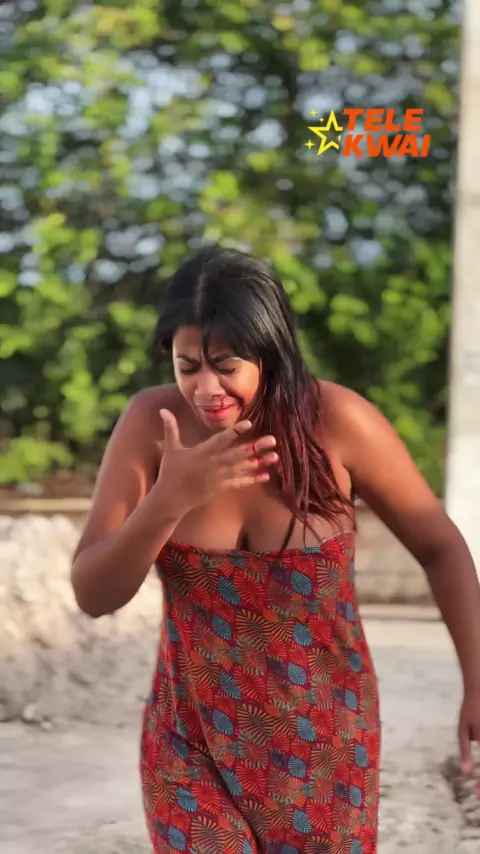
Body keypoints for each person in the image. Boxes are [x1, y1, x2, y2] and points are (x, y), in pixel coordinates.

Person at [71, 247, 480, 854]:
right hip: (191, 746)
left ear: (270, 351)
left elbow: (440, 547)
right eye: (187, 366)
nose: (205, 389)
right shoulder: (152, 426)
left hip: (326, 751)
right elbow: (93, 594)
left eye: (225, 366)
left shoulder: (339, 422)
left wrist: (477, 680)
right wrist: (167, 502)